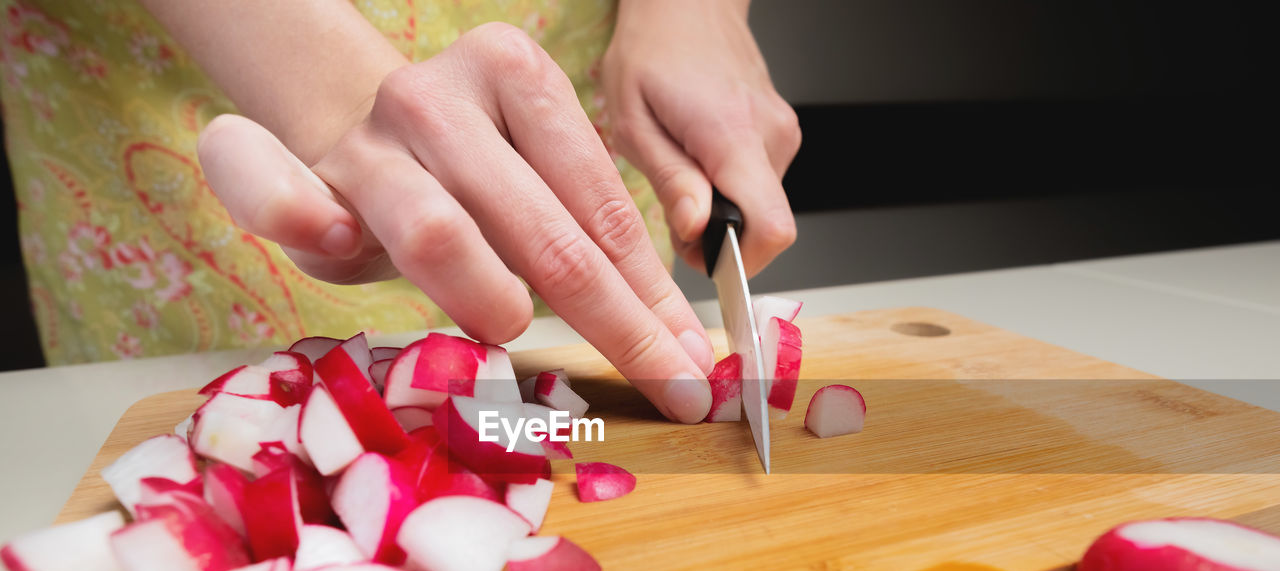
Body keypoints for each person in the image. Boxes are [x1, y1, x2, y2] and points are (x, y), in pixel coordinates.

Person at [0, 0, 799, 423]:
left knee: (590, 352)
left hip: (563, 107)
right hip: (195, 97)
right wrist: (339, 95)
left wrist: (694, 9)